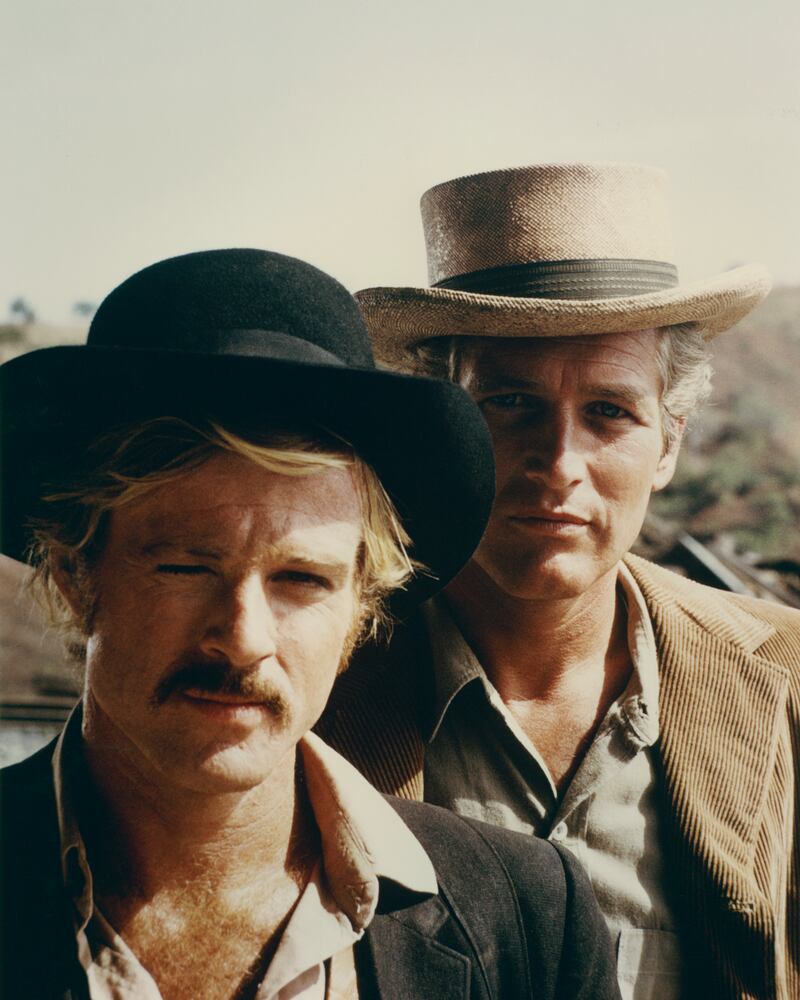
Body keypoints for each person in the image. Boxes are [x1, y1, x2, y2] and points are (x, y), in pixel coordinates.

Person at [0, 249, 621, 999]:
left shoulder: (527, 918)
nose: (243, 639)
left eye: (301, 581)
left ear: (362, 608)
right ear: (75, 574)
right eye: (187, 567)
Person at [317, 163, 800, 1000]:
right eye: (510, 403)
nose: (559, 463)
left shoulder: (784, 677)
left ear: (670, 442)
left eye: (610, 412)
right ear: (440, 427)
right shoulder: (314, 677)